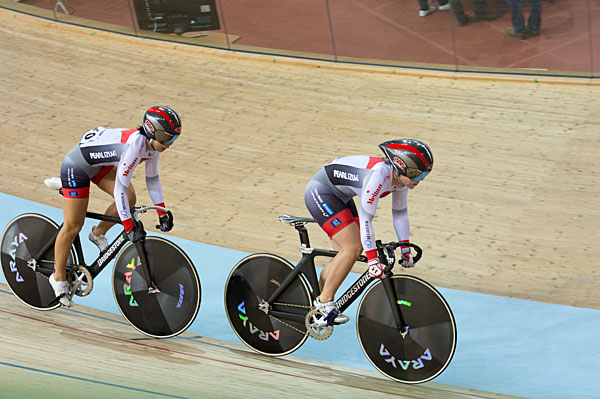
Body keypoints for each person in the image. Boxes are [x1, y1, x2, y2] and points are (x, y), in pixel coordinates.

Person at [49, 106, 181, 307]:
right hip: (77, 166)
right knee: (74, 225)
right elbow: (120, 187)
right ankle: (57, 278)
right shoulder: (134, 147)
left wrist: (162, 211)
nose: (170, 145)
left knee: (130, 198)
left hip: (99, 164)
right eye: (168, 140)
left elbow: (152, 179)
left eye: (174, 140)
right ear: (154, 133)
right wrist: (127, 225)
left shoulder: (152, 146)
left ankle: (97, 233)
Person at [304, 139, 433, 324]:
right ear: (400, 168)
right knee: (353, 248)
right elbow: (366, 219)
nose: (418, 181)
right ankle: (324, 303)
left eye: (423, 176)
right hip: (322, 191)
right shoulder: (379, 175)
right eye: (416, 176)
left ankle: (312, 298)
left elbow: (400, 214)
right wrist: (372, 259)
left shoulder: (401, 180)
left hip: (342, 195)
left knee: (344, 254)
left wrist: (406, 249)